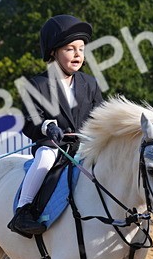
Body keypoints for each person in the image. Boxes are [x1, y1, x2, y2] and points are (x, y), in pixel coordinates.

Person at [8, 14, 103, 236]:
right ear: (53, 52)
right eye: (70, 49)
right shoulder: (36, 85)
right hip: (54, 145)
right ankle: (23, 209)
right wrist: (47, 127)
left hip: (85, 145)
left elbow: (100, 115)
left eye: (81, 49)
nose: (78, 54)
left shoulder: (90, 83)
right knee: (44, 158)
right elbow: (30, 120)